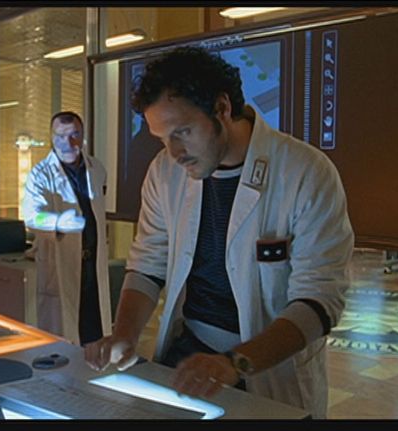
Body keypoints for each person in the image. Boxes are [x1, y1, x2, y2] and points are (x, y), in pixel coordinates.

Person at [84, 47, 354, 419]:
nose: (174, 152)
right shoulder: (164, 172)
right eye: (163, 138)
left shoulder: (306, 173)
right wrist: (124, 335)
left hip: (266, 365)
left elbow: (319, 300)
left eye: (183, 132)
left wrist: (234, 362)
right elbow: (148, 264)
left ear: (222, 108)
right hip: (188, 355)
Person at [21, 111, 112, 346]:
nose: (68, 143)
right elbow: (31, 217)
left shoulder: (97, 168)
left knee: (94, 329)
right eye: (60, 136)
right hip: (61, 263)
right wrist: (59, 222)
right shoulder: (40, 174)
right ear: (51, 138)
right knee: (64, 335)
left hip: (92, 263)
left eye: (74, 135)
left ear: (83, 136)